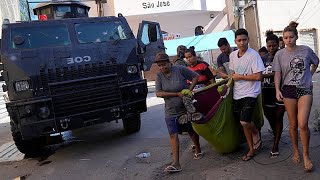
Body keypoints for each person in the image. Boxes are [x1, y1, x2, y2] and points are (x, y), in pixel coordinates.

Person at [273, 21, 319, 172]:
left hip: (304, 89)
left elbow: (316, 62)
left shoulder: (305, 50)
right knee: (292, 124)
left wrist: (310, 75)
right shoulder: (279, 54)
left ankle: (306, 155)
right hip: (288, 90)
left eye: (291, 37)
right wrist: (277, 90)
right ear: (283, 39)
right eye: (285, 38)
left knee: (302, 124)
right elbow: (278, 73)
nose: (288, 40)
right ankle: (295, 150)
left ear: (296, 37)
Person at [155, 53, 202, 173]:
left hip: (185, 108)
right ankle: (176, 163)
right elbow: (158, 93)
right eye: (160, 65)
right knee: (173, 135)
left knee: (190, 130)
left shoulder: (180, 69)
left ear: (169, 62)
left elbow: (196, 77)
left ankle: (198, 149)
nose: (162, 67)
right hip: (170, 110)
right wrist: (176, 94)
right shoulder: (159, 76)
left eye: (164, 64)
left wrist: (188, 91)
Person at [229, 28, 265, 161]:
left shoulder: (253, 55)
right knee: (243, 122)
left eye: (244, 40)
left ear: (248, 40)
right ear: (235, 42)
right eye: (239, 40)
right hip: (237, 93)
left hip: (251, 92)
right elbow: (233, 75)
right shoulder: (232, 56)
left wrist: (241, 77)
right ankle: (250, 149)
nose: (242, 42)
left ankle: (255, 132)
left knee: (244, 121)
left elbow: (259, 77)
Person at [261, 30, 286, 158]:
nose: (271, 48)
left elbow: (279, 72)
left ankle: (275, 145)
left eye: (274, 45)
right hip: (266, 92)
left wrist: (263, 75)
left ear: (278, 44)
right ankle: (276, 134)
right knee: (269, 116)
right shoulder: (263, 58)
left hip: (281, 92)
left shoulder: (282, 56)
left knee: (279, 116)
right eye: (269, 46)